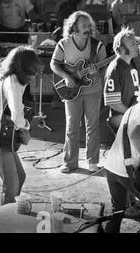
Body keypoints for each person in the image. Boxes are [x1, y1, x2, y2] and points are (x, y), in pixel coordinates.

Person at [0, 47, 42, 205]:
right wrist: (27, 127)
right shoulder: (13, 84)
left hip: (0, 134)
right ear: (20, 68)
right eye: (30, 73)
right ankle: (3, 221)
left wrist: (30, 121)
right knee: (12, 185)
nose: (32, 77)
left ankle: (8, 213)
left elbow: (11, 113)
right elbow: (16, 116)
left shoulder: (14, 80)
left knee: (20, 178)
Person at [50, 11, 107, 173]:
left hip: (93, 90)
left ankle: (92, 161)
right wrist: (66, 76)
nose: (88, 28)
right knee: (72, 127)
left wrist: (97, 73)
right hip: (71, 90)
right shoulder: (63, 43)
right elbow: (54, 65)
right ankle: (70, 162)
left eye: (89, 25)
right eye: (84, 26)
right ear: (74, 26)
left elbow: (104, 69)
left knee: (93, 126)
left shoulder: (98, 45)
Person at [103, 75, 140, 233]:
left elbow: (119, 127)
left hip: (111, 168)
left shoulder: (133, 108)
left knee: (118, 211)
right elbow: (135, 136)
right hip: (125, 171)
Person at [104, 27, 140, 134]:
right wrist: (131, 114)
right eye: (132, 44)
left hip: (130, 115)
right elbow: (112, 103)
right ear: (121, 49)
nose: (136, 46)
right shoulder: (115, 69)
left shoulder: (131, 65)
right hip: (120, 117)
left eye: (136, 43)